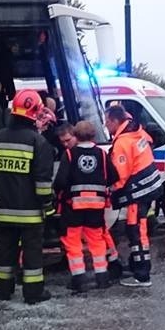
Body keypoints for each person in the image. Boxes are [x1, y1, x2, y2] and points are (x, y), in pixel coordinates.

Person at [0, 88, 54, 304]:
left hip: (4, 211)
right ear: (34, 112)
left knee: (5, 251)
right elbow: (43, 184)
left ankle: (3, 290)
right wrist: (49, 208)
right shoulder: (38, 142)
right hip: (30, 215)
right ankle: (33, 293)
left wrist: (1, 193)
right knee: (32, 253)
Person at [106, 105, 163, 288]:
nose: (106, 126)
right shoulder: (137, 132)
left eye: (107, 122)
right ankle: (137, 266)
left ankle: (141, 273)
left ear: (115, 121)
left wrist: (111, 192)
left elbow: (120, 177)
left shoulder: (122, 142)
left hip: (138, 192)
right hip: (148, 188)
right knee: (139, 229)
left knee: (136, 231)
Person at [54, 120, 112, 293]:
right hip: (96, 208)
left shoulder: (70, 155)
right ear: (93, 135)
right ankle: (102, 277)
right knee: (96, 241)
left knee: (72, 242)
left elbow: (60, 182)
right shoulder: (101, 154)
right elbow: (113, 177)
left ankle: (78, 279)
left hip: (73, 208)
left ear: (76, 136)